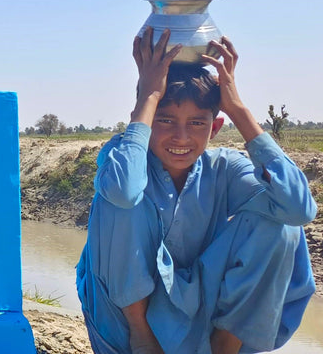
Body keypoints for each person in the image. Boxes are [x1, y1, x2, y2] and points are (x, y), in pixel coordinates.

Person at [76, 28, 317, 354]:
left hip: (204, 321)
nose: (181, 137)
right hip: (127, 329)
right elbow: (122, 189)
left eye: (197, 123)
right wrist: (147, 96)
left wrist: (238, 109)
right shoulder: (125, 158)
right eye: (165, 120)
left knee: (282, 223)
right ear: (146, 121)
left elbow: (298, 209)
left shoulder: (225, 168)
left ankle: (226, 345)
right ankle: (143, 335)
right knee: (118, 202)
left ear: (215, 128)